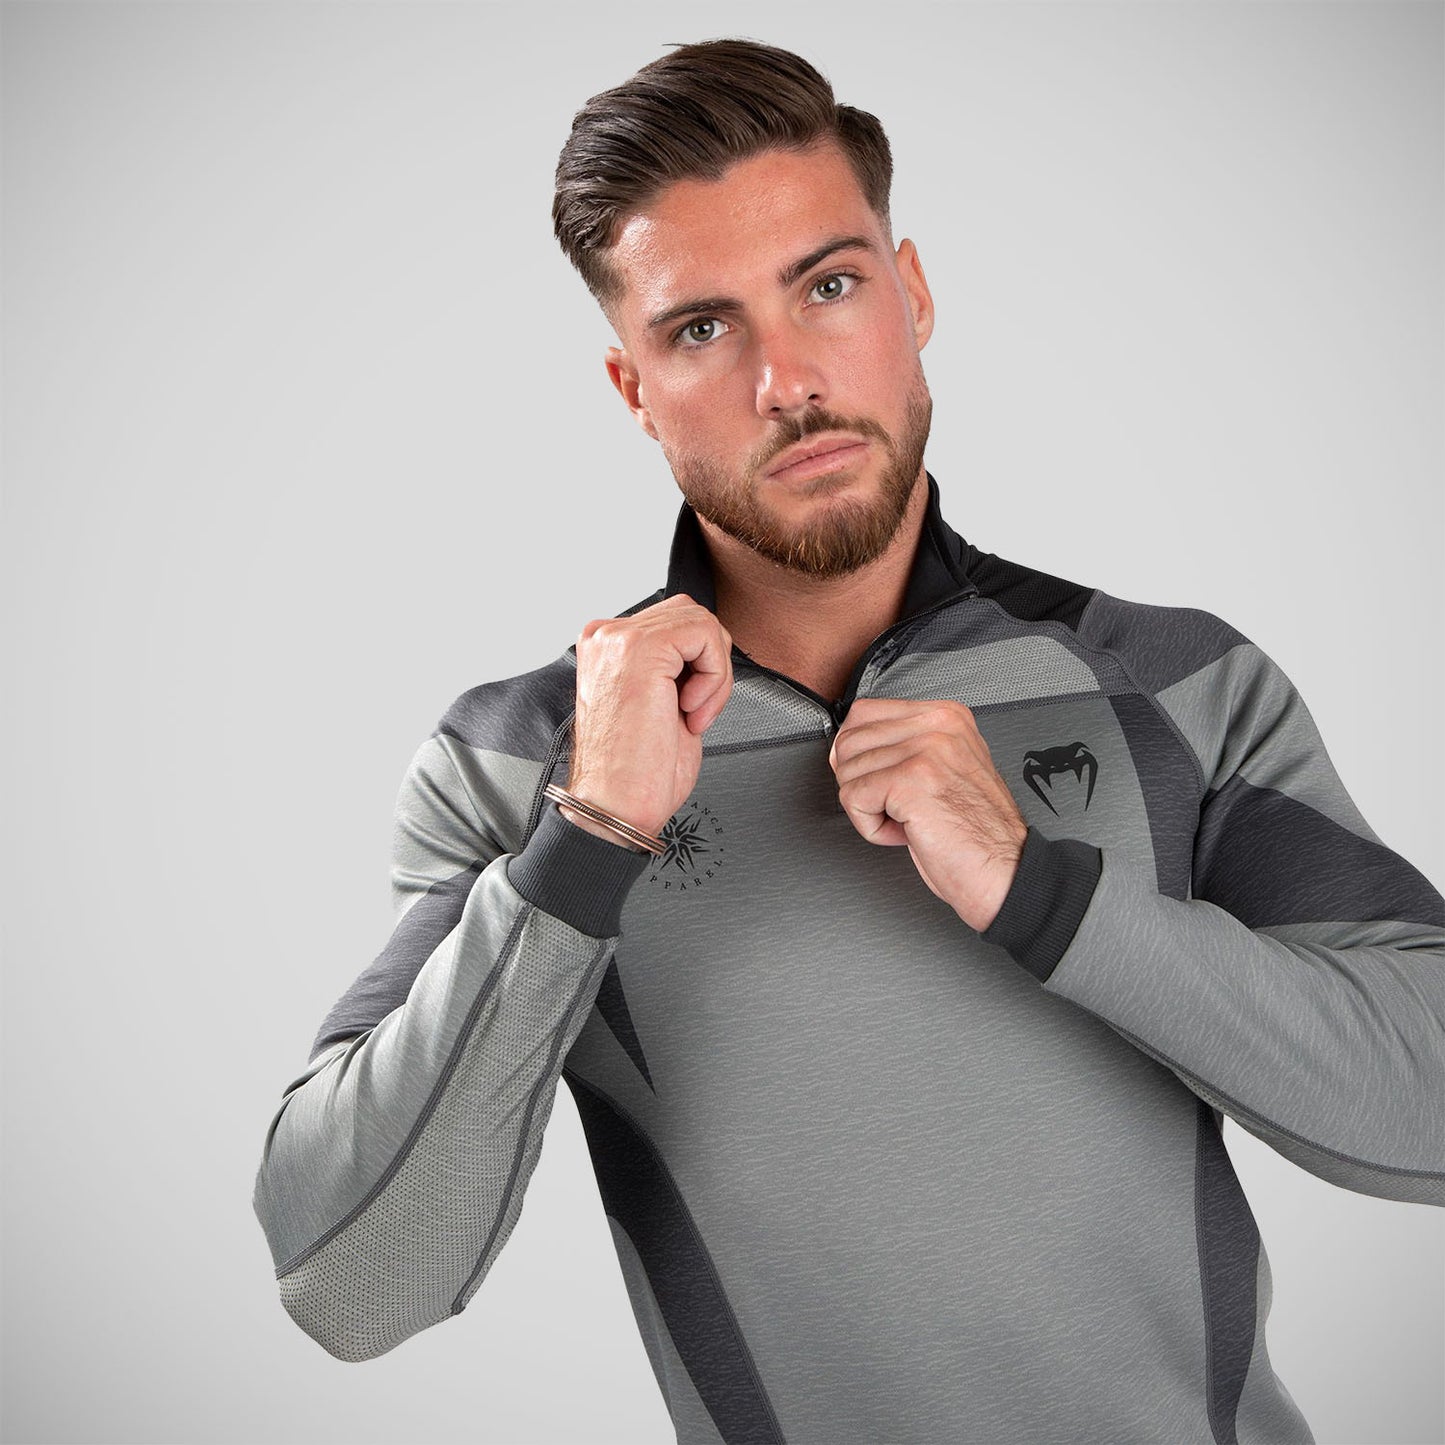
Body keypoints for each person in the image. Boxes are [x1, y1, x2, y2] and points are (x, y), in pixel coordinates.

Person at [251, 38, 1445, 1445]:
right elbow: (347, 1277)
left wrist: (1045, 895)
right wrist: (586, 845)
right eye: (702, 329)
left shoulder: (1171, 683)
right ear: (633, 388)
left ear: (912, 293)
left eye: (828, 286)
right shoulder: (524, 764)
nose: (786, 379)